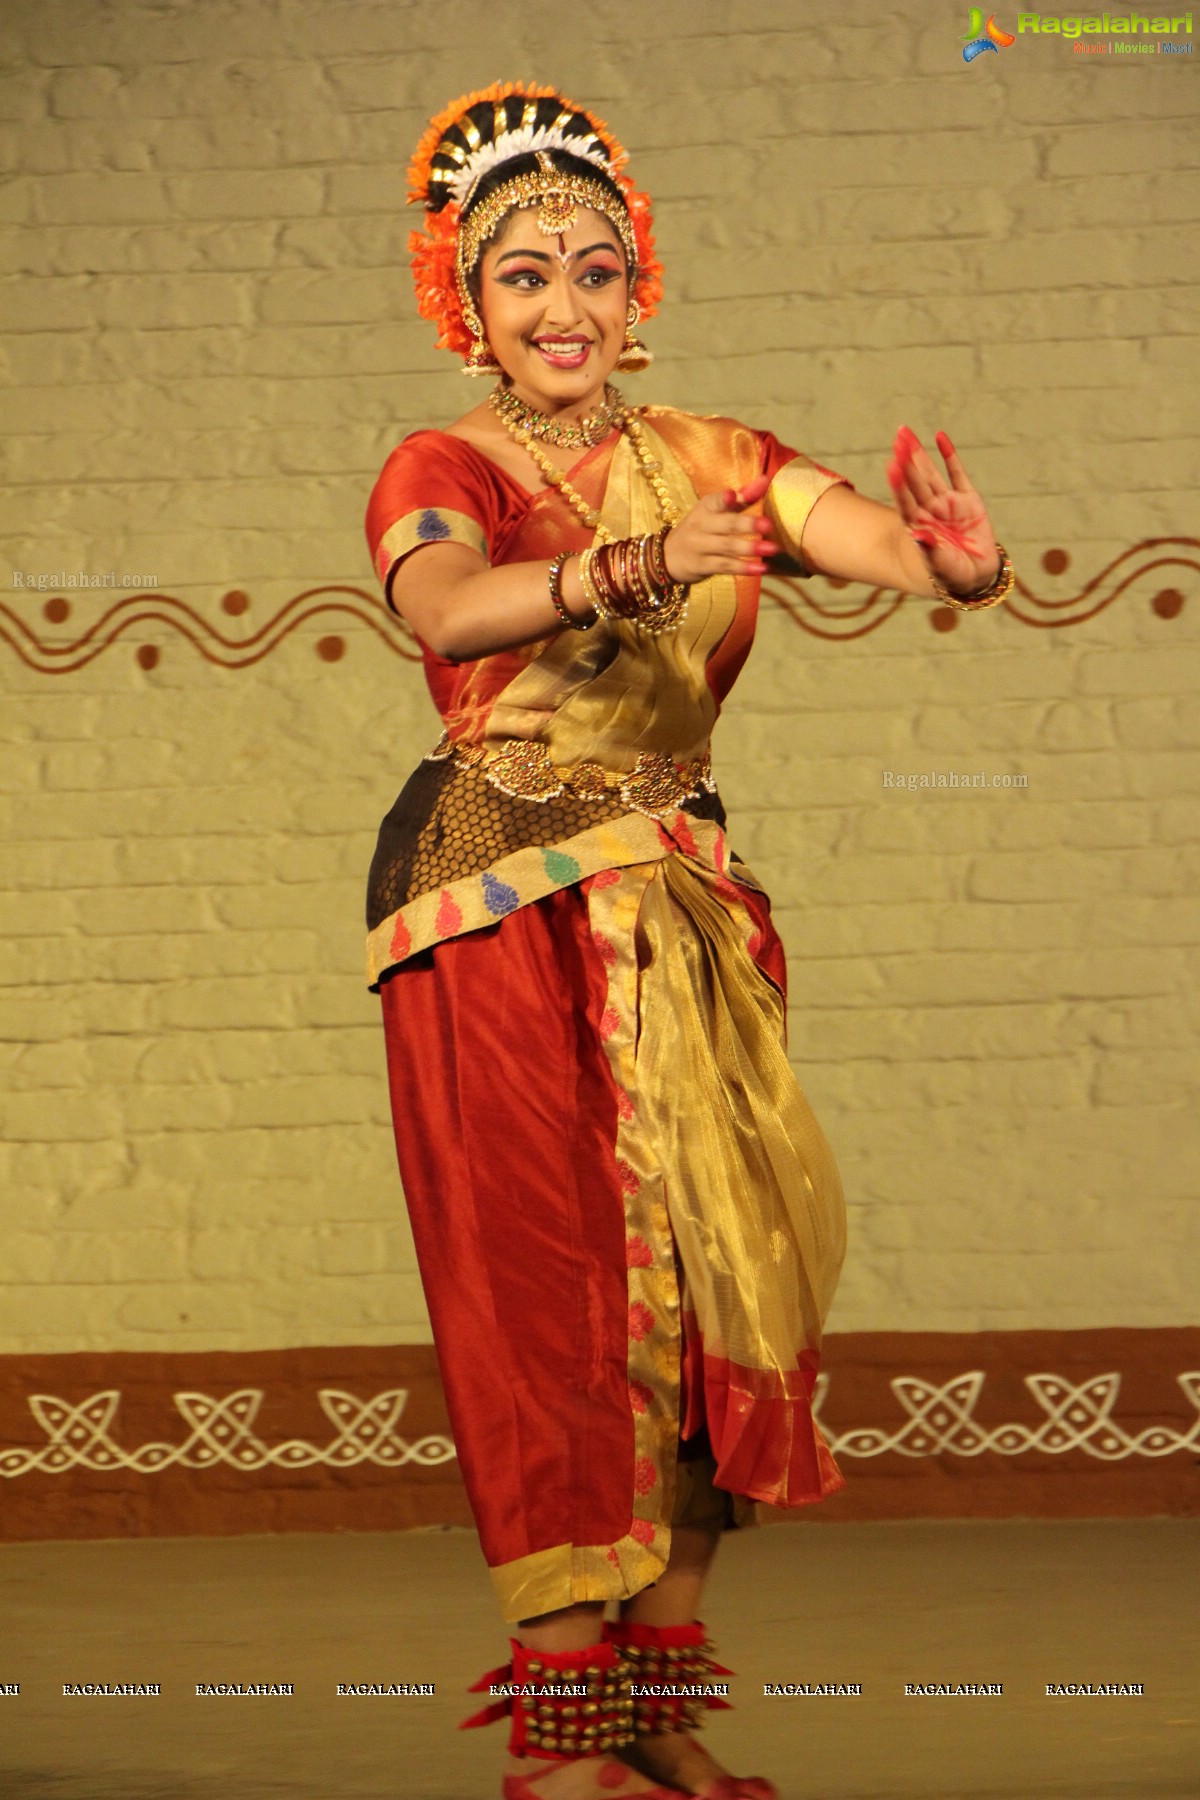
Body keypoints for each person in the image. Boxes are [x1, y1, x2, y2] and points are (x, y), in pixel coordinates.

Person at [364, 81, 1011, 1800]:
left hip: (682, 903)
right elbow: (442, 605)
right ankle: (560, 1735)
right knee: (552, 1292)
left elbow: (848, 535)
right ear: (468, 308)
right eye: (522, 279)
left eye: (593, 269)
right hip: (495, 897)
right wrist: (621, 566)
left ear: (639, 290)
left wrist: (944, 568)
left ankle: (657, 1702)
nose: (563, 307)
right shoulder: (446, 468)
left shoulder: (719, 455)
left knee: (732, 1268)